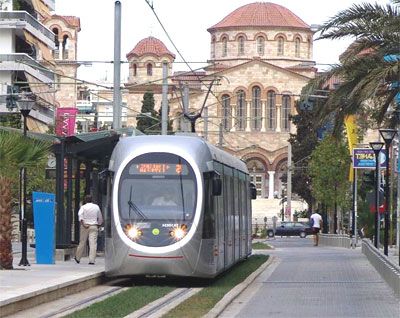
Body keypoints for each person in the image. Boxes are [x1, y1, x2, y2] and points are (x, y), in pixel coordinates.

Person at [74, 195, 103, 265]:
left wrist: (83, 224)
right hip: (93, 226)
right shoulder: (96, 207)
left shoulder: (83, 207)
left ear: (85, 200)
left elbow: (80, 215)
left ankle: (77, 258)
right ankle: (91, 260)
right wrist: (98, 224)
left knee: (82, 242)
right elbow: (100, 217)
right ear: (92, 200)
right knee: (93, 244)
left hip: (85, 226)